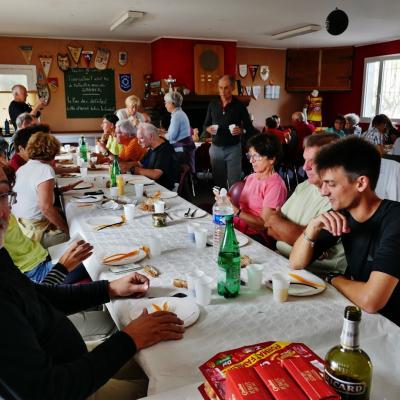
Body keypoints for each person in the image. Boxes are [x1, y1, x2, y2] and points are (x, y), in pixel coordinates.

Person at [0, 164, 185, 399]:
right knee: (178, 384)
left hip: (70, 360)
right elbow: (46, 391)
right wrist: (128, 339)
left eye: (2, 195)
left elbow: (38, 296)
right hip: (69, 386)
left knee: (166, 357)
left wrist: (109, 288)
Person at [289, 137, 400, 326]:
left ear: (361, 183)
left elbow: (371, 300)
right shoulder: (342, 214)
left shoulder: (395, 220)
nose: (323, 192)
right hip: (361, 315)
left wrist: (333, 278)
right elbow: (296, 262)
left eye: (331, 184)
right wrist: (313, 226)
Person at [265, 134, 346, 276]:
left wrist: (277, 221)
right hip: (282, 261)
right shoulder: (304, 186)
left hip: (317, 276)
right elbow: (270, 227)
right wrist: (277, 222)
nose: (305, 167)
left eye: (313, 161)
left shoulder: (339, 197)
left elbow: (310, 244)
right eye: (305, 160)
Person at [12, 132, 69, 247]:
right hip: (35, 233)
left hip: (21, 227)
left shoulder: (23, 168)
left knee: (65, 214)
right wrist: (68, 230)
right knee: (82, 237)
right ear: (53, 152)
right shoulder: (45, 169)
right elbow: (46, 208)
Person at [228, 134, 287, 244]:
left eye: (256, 156)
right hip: (238, 228)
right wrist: (227, 201)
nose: (251, 161)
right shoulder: (251, 177)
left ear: (272, 159)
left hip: (257, 236)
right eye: (250, 156)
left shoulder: (276, 185)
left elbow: (263, 225)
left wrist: (236, 211)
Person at [204, 75, 254, 188]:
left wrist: (241, 130)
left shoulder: (240, 106)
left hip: (233, 149)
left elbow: (249, 128)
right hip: (215, 149)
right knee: (218, 183)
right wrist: (208, 129)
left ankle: (234, 205)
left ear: (232, 88)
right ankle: (220, 204)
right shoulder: (213, 104)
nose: (222, 91)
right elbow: (205, 125)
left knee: (234, 183)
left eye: (225, 88)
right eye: (220, 87)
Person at [132, 123, 180, 190]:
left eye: (141, 138)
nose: (138, 142)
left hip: (163, 190)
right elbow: (140, 163)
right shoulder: (152, 148)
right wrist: (124, 166)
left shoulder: (165, 149)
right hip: (152, 185)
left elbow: (156, 174)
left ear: (151, 136)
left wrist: (136, 170)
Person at [164, 91, 196, 173]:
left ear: (172, 103)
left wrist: (162, 134)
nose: (165, 105)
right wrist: (166, 132)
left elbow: (172, 136)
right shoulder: (180, 113)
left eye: (166, 102)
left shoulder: (176, 116)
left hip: (181, 150)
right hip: (184, 149)